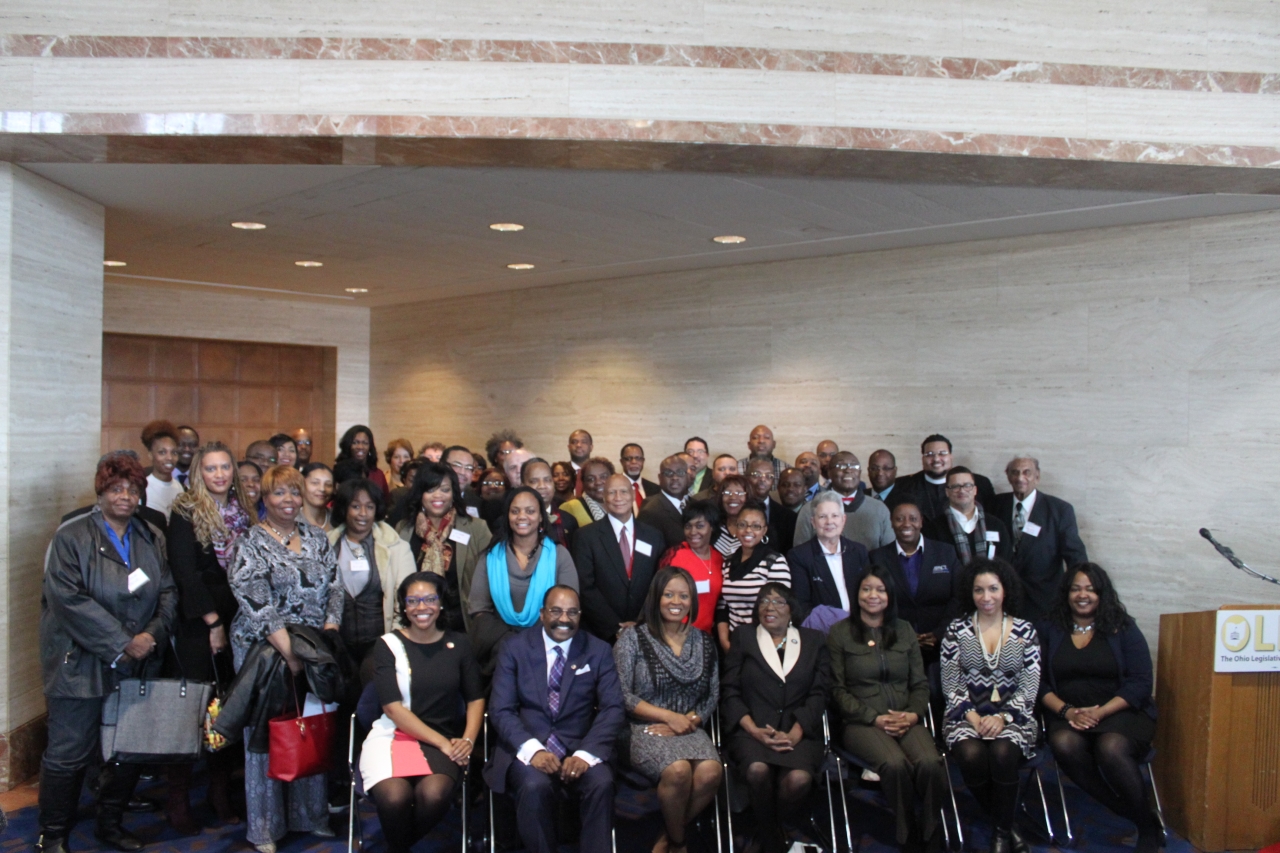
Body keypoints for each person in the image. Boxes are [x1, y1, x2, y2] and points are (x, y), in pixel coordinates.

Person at [37, 453, 178, 853]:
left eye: (133, 490)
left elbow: (167, 591)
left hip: (137, 663)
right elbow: (66, 600)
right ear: (100, 492)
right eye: (116, 488)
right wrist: (121, 642)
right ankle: (53, 835)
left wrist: (151, 635)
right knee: (68, 754)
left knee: (126, 747)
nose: (125, 496)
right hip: (77, 663)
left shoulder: (150, 536)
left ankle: (110, 824)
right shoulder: (72, 536)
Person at [228, 464, 344, 853]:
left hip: (311, 649)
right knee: (266, 736)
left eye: (295, 492)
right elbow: (255, 601)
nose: (289, 501)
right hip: (264, 650)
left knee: (309, 725)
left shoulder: (316, 537)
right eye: (279, 493)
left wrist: (327, 633)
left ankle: (310, 816)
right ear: (264, 497)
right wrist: (290, 653)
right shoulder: (250, 542)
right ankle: (265, 828)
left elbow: (335, 588)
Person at [484, 585, 625, 853]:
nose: (564, 619)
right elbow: (501, 709)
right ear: (541, 614)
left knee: (601, 783)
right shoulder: (514, 648)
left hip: (580, 747)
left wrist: (585, 754)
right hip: (526, 747)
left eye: (572, 612)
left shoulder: (598, 650)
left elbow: (613, 708)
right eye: (556, 611)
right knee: (534, 785)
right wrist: (533, 750)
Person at [1037, 564, 1160, 853]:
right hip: (1067, 714)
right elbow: (1036, 681)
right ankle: (1130, 811)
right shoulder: (1048, 628)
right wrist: (1067, 712)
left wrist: (1100, 712)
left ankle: (1146, 826)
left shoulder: (1123, 626)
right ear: (1066, 593)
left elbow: (1142, 681)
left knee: (1111, 747)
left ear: (1101, 594)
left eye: (1091, 589)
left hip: (1120, 713)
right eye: (1076, 588)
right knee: (1063, 743)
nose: (1083, 595)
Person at [359, 572, 484, 853]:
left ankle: (397, 847)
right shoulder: (387, 645)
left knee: (435, 795)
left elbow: (475, 698)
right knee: (394, 799)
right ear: (403, 607)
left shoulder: (459, 644)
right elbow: (392, 707)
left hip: (443, 740)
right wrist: (444, 744)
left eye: (429, 599)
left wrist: (468, 741)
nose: (421, 607)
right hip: (392, 737)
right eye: (412, 601)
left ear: (441, 604)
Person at [166, 442, 253, 830]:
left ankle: (220, 793)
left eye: (224, 468)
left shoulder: (244, 511)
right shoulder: (185, 510)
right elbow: (185, 572)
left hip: (238, 620)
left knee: (227, 708)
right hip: (199, 623)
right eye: (210, 468)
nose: (218, 475)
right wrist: (213, 622)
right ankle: (179, 800)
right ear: (198, 472)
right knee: (194, 710)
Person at [828, 566, 946, 853]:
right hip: (861, 722)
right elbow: (836, 690)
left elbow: (920, 683)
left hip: (906, 716)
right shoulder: (840, 633)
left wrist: (914, 714)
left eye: (880, 589)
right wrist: (874, 718)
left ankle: (931, 831)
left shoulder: (904, 630)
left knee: (931, 763)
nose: (873, 595)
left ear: (890, 595)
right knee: (894, 765)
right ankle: (906, 831)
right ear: (856, 595)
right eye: (867, 589)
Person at [613, 568, 721, 853]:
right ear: (656, 598)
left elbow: (712, 693)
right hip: (641, 727)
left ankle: (667, 838)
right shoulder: (632, 638)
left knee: (711, 772)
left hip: (689, 726)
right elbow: (621, 694)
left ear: (692, 600)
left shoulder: (704, 641)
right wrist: (668, 717)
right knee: (678, 771)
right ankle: (679, 842)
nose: (676, 601)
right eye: (669, 594)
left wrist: (690, 720)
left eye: (684, 595)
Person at [721, 583, 831, 853]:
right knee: (757, 771)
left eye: (778, 602)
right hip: (752, 730)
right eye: (763, 602)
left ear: (792, 609)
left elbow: (820, 694)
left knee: (798, 780)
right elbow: (730, 690)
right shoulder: (744, 636)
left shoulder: (814, 640)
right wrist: (752, 728)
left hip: (799, 731)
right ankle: (773, 838)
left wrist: (797, 731)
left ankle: (768, 825)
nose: (769, 607)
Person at [940, 558, 1040, 853]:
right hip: (964, 715)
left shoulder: (1026, 631)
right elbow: (951, 683)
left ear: (1005, 590)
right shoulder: (956, 630)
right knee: (970, 754)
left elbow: (1030, 685)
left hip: (1015, 717)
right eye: (979, 590)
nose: (986, 597)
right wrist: (971, 716)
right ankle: (1010, 826)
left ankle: (1000, 834)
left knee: (1002, 752)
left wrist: (1005, 718)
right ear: (970, 593)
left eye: (993, 589)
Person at [468, 487, 579, 673]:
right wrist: (509, 641)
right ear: (507, 516)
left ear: (541, 517)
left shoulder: (559, 555)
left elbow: (568, 609)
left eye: (530, 511)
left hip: (548, 645)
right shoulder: (490, 556)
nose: (522, 516)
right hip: (499, 647)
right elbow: (479, 608)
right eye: (515, 511)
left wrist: (533, 642)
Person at [327, 478, 415, 670]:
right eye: (356, 506)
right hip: (336, 644)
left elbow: (406, 599)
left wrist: (396, 643)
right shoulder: (326, 546)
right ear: (344, 509)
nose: (363, 514)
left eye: (370, 507)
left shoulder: (397, 548)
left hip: (380, 644)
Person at [988, 457, 1088, 625]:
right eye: (1015, 472)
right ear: (1008, 476)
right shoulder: (994, 505)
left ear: (1037, 476)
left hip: (1044, 601)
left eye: (1027, 472)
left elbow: (1075, 555)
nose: (1020, 478)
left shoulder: (1059, 510)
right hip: (1002, 602)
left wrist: (1079, 592)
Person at [396, 462, 492, 632]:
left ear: (454, 493)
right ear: (420, 494)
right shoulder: (404, 529)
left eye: (445, 490)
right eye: (430, 490)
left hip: (461, 625)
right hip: (414, 624)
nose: (438, 496)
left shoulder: (476, 528)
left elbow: (489, 580)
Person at [574, 474, 665, 642]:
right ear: (604, 497)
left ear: (632, 495)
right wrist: (615, 627)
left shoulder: (654, 536)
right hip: (600, 634)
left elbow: (658, 583)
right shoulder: (585, 536)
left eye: (623, 491)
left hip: (646, 631)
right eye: (612, 492)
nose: (618, 498)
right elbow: (585, 587)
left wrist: (641, 622)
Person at [869, 503, 963, 660]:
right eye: (899, 519)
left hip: (944, 645)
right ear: (891, 522)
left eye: (913, 519)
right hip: (895, 646)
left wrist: (940, 633)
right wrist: (903, 636)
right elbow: (874, 602)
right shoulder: (877, 558)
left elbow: (960, 597)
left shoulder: (946, 552)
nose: (906, 524)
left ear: (921, 522)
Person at [714, 502, 792, 651]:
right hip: (733, 641)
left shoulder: (774, 562)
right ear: (736, 528)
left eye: (756, 526)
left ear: (764, 531)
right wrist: (725, 641)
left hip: (766, 643)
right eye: (742, 525)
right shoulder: (728, 563)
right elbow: (723, 607)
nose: (748, 530)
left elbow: (780, 608)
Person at [786, 490, 869, 623]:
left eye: (835, 515)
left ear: (843, 520)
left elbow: (868, 594)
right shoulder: (799, 556)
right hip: (822, 632)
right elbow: (802, 606)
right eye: (822, 516)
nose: (829, 522)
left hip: (861, 628)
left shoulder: (859, 551)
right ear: (813, 522)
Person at [793, 451, 893, 551]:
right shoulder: (810, 509)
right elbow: (800, 555)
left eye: (854, 466)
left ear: (860, 472)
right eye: (841, 466)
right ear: (829, 472)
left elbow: (889, 557)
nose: (848, 470)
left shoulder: (879, 509)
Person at [889, 434, 996, 519]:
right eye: (929, 454)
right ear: (922, 458)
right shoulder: (903, 486)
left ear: (951, 456)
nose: (936, 459)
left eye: (942, 453)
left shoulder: (980, 483)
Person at [657, 500, 724, 633]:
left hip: (706, 636)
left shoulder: (718, 558)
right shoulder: (674, 555)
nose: (693, 532)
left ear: (712, 527)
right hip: (676, 633)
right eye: (688, 526)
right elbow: (658, 596)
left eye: (700, 526)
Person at [923, 467, 1013, 567]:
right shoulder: (932, 530)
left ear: (975, 490)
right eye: (955, 486)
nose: (962, 491)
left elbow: (1006, 566)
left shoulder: (996, 525)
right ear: (947, 492)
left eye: (967, 486)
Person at [638, 454, 692, 556]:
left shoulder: (693, 505)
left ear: (687, 477)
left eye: (680, 472)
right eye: (668, 473)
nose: (675, 477)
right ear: (660, 478)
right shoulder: (650, 512)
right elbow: (644, 555)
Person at [521, 457, 579, 547]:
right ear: (523, 486)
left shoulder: (568, 520)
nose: (542, 486)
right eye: (534, 481)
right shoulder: (511, 521)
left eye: (547, 480)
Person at [746, 457, 797, 553]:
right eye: (756, 475)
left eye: (769, 476)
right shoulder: (736, 510)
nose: (762, 479)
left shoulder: (788, 517)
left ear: (773, 481)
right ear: (746, 477)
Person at [142, 419, 183, 520]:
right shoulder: (142, 488)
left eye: (174, 452)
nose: (169, 458)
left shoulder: (181, 489)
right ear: (150, 455)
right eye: (162, 452)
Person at [337, 424, 389, 500]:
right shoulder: (340, 471)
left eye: (365, 443)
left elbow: (386, 501)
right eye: (355, 442)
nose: (360, 447)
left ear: (370, 447)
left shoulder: (378, 474)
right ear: (348, 445)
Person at [557, 457, 614, 527]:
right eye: (591, 479)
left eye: (603, 477)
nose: (598, 482)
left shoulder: (622, 505)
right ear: (583, 483)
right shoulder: (570, 507)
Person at [711, 474, 749, 557]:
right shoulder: (713, 528)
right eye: (727, 492)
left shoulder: (755, 529)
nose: (733, 497)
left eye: (739, 493)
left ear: (748, 497)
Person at [621, 443, 659, 510]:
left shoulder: (655, 489)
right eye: (629, 458)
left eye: (638, 458)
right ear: (622, 462)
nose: (634, 462)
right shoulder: (614, 487)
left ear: (643, 461)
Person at [300, 462, 335, 532]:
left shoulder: (337, 518)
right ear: (301, 484)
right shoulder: (291, 520)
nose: (322, 489)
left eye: (328, 484)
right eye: (315, 483)